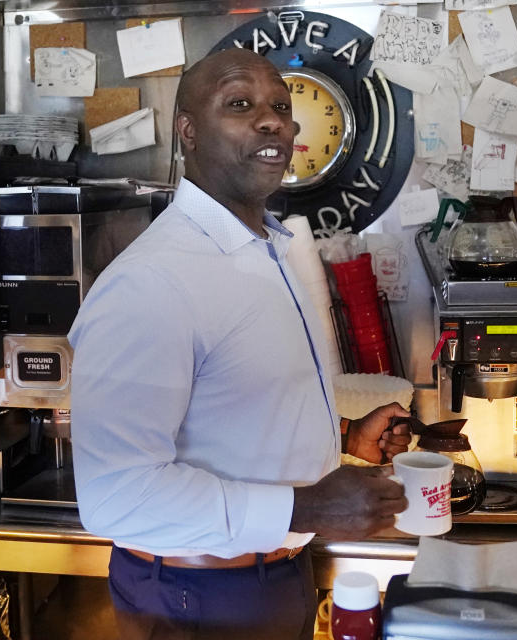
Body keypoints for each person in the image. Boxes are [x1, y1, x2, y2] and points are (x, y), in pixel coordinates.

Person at [68, 47, 412, 640]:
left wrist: (343, 438)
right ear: (188, 131)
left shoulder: (268, 251)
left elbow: (234, 406)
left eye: (281, 105)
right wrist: (307, 508)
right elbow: (115, 496)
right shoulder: (151, 282)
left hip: (273, 578)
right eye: (239, 104)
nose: (271, 119)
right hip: (190, 597)